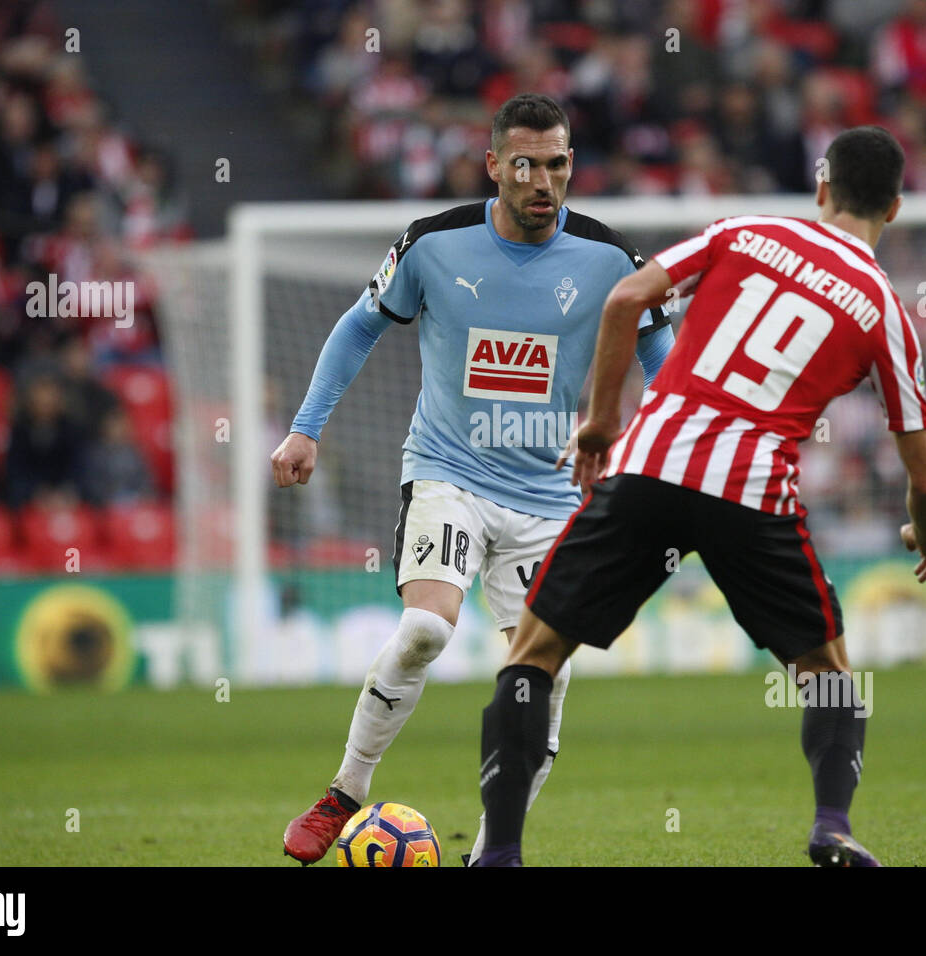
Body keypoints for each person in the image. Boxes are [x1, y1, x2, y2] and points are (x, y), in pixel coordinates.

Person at [476, 125, 926, 867]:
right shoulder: (884, 310)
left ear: (822, 188)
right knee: (827, 674)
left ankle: (500, 853)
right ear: (894, 209)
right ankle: (831, 827)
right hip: (751, 492)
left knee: (532, 656)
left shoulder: (747, 231)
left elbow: (627, 297)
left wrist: (599, 423)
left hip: (648, 466)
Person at [271, 93, 674, 865]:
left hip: (552, 501)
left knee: (542, 690)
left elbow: (663, 364)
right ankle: (343, 794)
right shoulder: (433, 244)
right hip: (449, 473)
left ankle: (494, 853)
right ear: (493, 165)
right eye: (524, 165)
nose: (542, 182)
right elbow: (362, 323)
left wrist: (671, 459)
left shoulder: (612, 262)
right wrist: (305, 427)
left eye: (557, 164)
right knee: (425, 629)